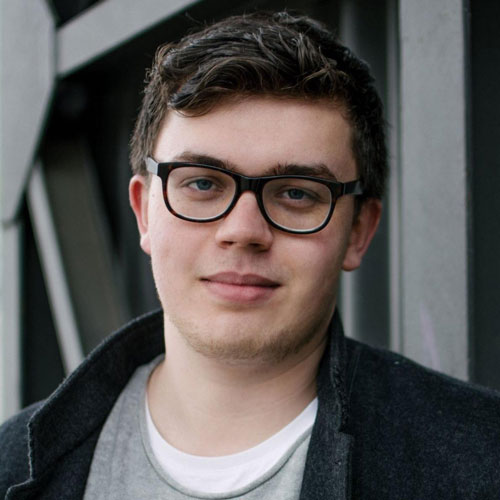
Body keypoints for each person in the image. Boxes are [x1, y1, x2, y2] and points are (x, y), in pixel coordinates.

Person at [1, 10, 499, 500]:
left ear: (358, 232)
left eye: (297, 193)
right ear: (144, 212)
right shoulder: (11, 466)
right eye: (201, 184)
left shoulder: (481, 460)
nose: (243, 232)